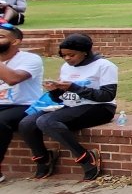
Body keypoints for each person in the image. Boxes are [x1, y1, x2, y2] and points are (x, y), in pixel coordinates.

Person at [19, 33, 118, 181]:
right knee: (26, 123)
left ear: (85, 52)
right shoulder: (66, 67)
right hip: (71, 106)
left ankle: (85, 157)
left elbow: (107, 95)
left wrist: (74, 87)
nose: (67, 59)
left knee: (46, 122)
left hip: (100, 108)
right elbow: (62, 98)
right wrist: (54, 91)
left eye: (71, 55)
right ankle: (44, 158)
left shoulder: (104, 66)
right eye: (63, 55)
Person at [0, 24, 44, 183]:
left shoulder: (30, 59)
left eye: (1, 37)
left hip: (25, 105)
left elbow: (13, 79)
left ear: (15, 42)